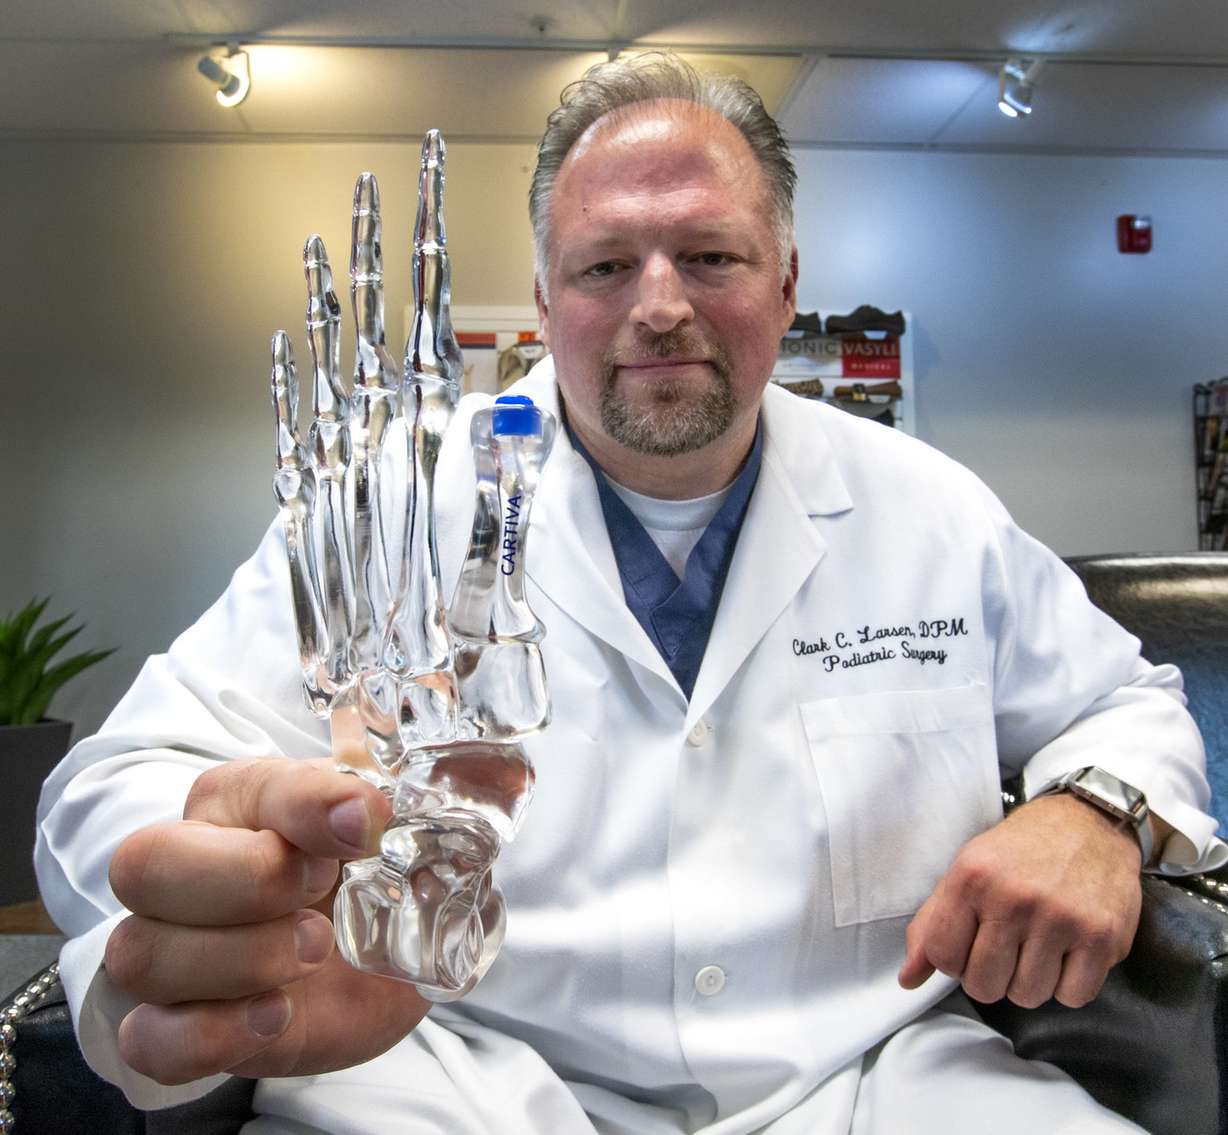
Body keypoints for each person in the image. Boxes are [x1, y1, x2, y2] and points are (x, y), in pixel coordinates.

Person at [36, 54, 1225, 1135]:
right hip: (458, 1073)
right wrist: (214, 883)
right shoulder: (406, 498)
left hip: (870, 1079)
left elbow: (1128, 702)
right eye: (606, 266)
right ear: (547, 305)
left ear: (787, 280)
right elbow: (110, 784)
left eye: (709, 255)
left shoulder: (928, 508)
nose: (659, 305)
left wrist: (1091, 813)